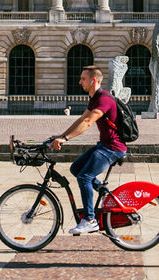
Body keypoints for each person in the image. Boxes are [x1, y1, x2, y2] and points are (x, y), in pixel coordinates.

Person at [50, 65, 126, 236]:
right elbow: (81, 119)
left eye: (83, 79)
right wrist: (61, 135)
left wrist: (66, 139)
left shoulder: (104, 99)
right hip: (105, 145)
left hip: (113, 148)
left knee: (85, 176)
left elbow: (88, 122)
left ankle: (90, 220)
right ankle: (105, 194)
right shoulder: (95, 98)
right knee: (76, 169)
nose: (79, 82)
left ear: (93, 80)